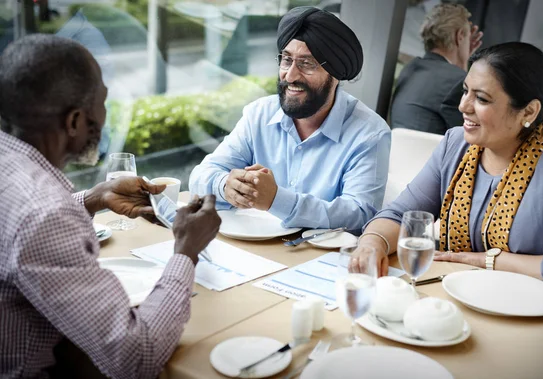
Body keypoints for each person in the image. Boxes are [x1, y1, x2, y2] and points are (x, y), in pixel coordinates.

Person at [0, 35, 221, 378]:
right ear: (74, 121)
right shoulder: (45, 215)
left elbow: (18, 222)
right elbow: (135, 358)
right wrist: (186, 251)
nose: (104, 116)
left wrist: (93, 198)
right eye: (102, 102)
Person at [353, 42, 543, 298]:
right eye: (465, 91)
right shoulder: (455, 143)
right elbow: (400, 214)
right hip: (452, 296)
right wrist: (374, 242)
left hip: (526, 309)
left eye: (481, 98)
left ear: (528, 111)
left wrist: (487, 260)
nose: (463, 106)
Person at [189, 6, 391, 231]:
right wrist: (225, 184)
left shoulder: (369, 133)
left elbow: (360, 214)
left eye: (306, 64)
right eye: (287, 60)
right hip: (251, 250)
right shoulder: (259, 114)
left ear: (335, 73)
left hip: (319, 259)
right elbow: (201, 174)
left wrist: (277, 200)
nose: (291, 75)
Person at [390, 3, 483, 135]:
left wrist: (461, 64)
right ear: (460, 36)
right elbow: (469, 138)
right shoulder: (456, 81)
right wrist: (462, 67)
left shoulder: (409, 69)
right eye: (467, 37)